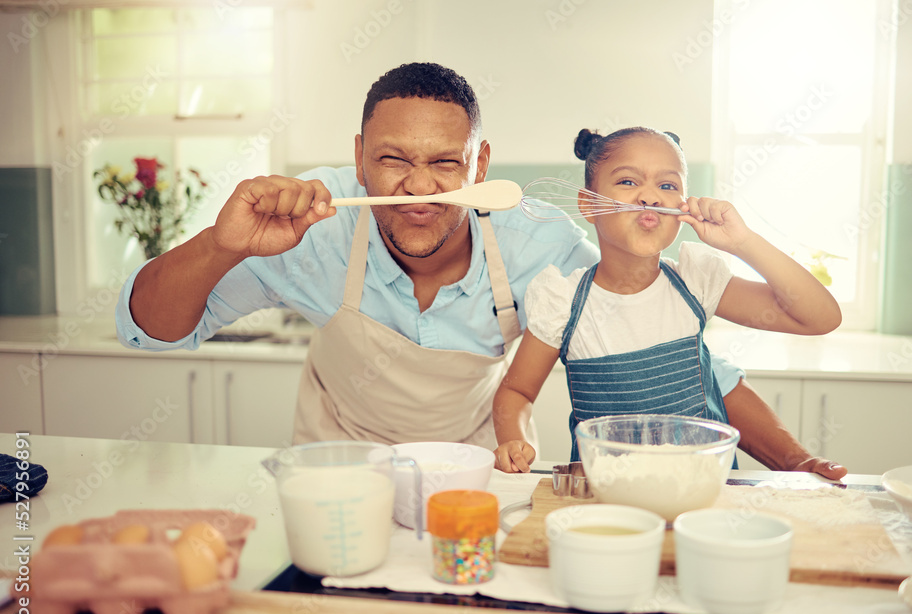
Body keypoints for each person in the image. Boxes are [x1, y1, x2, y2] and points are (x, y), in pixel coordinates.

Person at [115, 62, 845, 480]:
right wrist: (223, 242)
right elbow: (151, 331)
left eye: (445, 164)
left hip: (468, 482)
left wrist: (795, 459)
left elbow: (688, 358)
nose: (419, 188)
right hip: (332, 479)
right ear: (360, 153)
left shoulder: (547, 252)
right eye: (393, 160)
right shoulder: (312, 225)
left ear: (480, 164)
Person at [492, 127, 843, 474]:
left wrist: (742, 242)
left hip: (702, 489)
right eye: (628, 182)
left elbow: (818, 318)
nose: (651, 197)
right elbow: (516, 391)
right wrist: (512, 438)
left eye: (667, 185)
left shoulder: (695, 281)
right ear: (589, 204)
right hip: (607, 496)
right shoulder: (562, 302)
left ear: (683, 205)